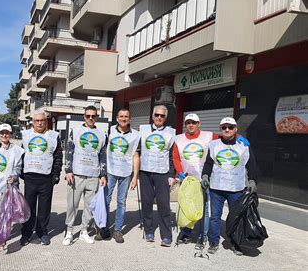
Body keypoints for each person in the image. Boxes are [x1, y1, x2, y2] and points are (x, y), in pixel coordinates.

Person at [173, 114, 250, 248]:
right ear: (185, 124)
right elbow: (175, 157)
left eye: (194, 122)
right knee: (187, 206)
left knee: (206, 209)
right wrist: (179, 172)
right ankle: (186, 232)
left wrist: (239, 137)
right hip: (188, 179)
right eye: (188, 123)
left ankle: (203, 236)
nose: (191, 125)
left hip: (206, 179)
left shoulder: (209, 136)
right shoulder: (178, 139)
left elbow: (226, 136)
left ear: (199, 123)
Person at [201, 117, 258, 255]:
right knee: (215, 217)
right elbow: (209, 163)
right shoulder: (213, 145)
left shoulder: (244, 145)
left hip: (236, 188)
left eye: (230, 127)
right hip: (216, 188)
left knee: (236, 217)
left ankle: (235, 243)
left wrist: (252, 180)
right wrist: (205, 176)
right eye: (224, 127)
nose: (227, 130)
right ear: (220, 129)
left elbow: (251, 164)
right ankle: (214, 242)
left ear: (235, 129)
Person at [62, 106, 107, 246]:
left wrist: (103, 174)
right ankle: (69, 232)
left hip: (93, 176)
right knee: (72, 205)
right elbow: (69, 151)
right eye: (88, 116)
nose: (91, 119)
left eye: (93, 116)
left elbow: (103, 156)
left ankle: (84, 231)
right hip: (76, 175)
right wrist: (68, 170)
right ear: (84, 117)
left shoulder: (101, 135)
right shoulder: (75, 132)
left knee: (89, 206)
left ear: (97, 117)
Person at [20, 111, 62, 246]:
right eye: (37, 120)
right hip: (30, 178)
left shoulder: (54, 136)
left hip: (46, 178)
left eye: (42, 120)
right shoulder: (26, 135)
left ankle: (42, 232)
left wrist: (56, 174)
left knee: (44, 208)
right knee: (28, 208)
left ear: (46, 121)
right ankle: (26, 233)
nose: (40, 123)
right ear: (33, 122)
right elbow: (21, 155)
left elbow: (58, 157)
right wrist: (21, 172)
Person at [99, 108, 140, 244]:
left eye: (126, 116)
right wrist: (102, 171)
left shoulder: (135, 135)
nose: (123, 118)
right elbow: (102, 150)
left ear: (130, 118)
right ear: (117, 118)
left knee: (121, 202)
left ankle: (117, 230)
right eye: (121, 116)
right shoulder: (109, 131)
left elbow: (135, 156)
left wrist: (135, 177)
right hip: (110, 171)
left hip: (126, 173)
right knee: (106, 200)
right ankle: (103, 228)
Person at [139, 105, 176, 247]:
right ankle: (148, 231)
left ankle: (166, 235)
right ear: (152, 115)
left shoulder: (171, 132)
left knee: (164, 204)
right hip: (145, 172)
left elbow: (172, 156)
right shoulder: (142, 130)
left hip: (163, 173)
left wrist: (172, 174)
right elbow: (135, 150)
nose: (159, 118)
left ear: (165, 118)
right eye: (157, 115)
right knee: (147, 202)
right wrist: (135, 173)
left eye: (162, 116)